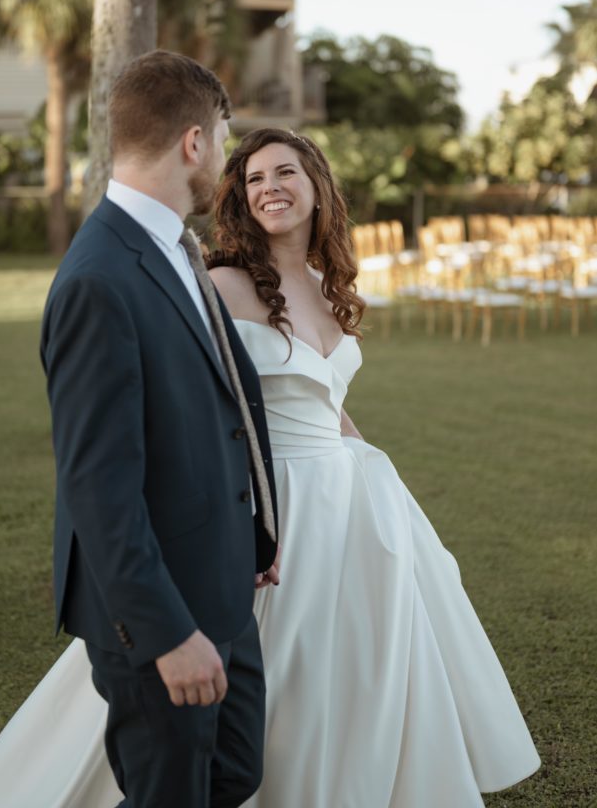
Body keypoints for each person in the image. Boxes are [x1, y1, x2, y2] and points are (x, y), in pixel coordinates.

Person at [0, 51, 279, 808]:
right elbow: (97, 485)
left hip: (217, 585)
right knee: (170, 794)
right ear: (192, 142)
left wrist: (255, 540)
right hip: (159, 616)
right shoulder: (97, 278)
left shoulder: (176, 248)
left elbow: (219, 409)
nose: (224, 154)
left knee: (234, 773)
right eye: (222, 135)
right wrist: (165, 635)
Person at [205, 128, 541, 808]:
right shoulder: (223, 285)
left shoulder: (329, 286)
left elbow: (327, 404)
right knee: (286, 660)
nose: (269, 186)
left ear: (316, 187)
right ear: (241, 199)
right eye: (253, 179)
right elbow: (207, 410)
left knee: (366, 663)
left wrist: (375, 477)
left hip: (353, 495)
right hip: (279, 498)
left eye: (285, 172)